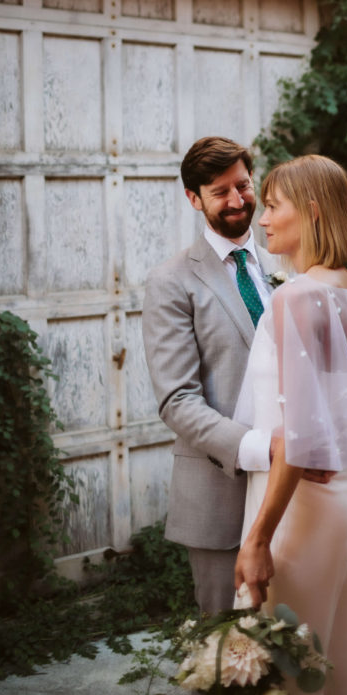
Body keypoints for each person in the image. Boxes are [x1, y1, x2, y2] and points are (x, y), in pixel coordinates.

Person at [233, 154, 347, 695]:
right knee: (332, 663)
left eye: (273, 207)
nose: (262, 221)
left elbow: (301, 441)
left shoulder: (295, 299)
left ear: (309, 212)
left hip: (301, 505)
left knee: (285, 678)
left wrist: (257, 538)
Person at [142, 136, 280, 616]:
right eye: (220, 192)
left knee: (293, 640)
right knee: (229, 654)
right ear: (193, 199)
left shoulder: (287, 263)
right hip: (221, 492)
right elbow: (176, 399)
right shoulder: (171, 281)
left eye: (243, 185)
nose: (239, 200)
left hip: (295, 491)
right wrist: (259, 450)